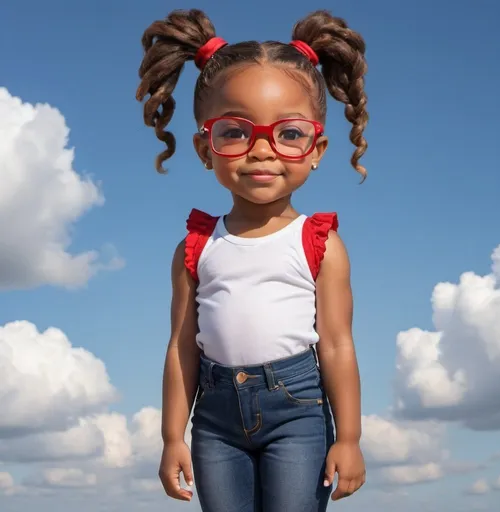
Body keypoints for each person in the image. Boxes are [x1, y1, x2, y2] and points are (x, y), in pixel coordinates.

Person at [136, 7, 369, 512]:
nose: (262, 150)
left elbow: (336, 345)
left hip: (299, 413)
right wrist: (171, 436)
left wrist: (348, 438)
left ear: (316, 148)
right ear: (205, 148)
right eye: (235, 131)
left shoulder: (319, 242)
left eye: (289, 133)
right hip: (214, 422)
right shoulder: (196, 248)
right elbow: (181, 348)